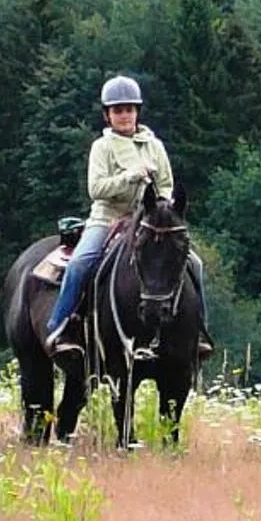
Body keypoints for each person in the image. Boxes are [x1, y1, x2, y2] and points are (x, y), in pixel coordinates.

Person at [42, 75, 184, 357]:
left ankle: (197, 330)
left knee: (193, 264)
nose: (124, 115)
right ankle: (60, 327)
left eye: (129, 109)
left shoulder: (154, 146)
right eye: (118, 110)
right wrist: (129, 177)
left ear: (137, 112)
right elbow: (96, 189)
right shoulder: (102, 147)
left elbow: (167, 183)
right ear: (108, 115)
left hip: (150, 220)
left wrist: (163, 203)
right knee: (80, 264)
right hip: (108, 218)